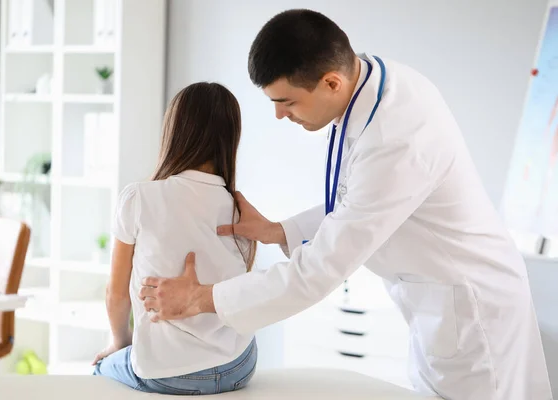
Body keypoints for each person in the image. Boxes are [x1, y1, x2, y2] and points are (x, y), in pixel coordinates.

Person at [139, 9, 553, 400]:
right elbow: (359, 199)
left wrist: (200, 298)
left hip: (478, 322)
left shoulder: (396, 136)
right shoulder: (365, 83)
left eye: (287, 102)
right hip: (441, 303)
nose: (280, 116)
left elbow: (319, 271)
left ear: (331, 83)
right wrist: (277, 231)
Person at [92, 82, 258, 395]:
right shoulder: (241, 211)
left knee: (100, 369)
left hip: (166, 372)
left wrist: (119, 343)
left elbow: (116, 294)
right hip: (238, 365)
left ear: (174, 131)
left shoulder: (139, 198)